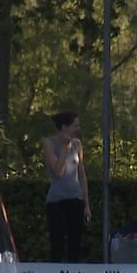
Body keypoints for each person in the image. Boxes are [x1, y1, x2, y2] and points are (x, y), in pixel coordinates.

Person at [42, 110, 92, 262]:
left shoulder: (77, 144)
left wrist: (86, 204)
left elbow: (81, 174)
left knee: (74, 242)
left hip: (75, 198)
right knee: (57, 241)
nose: (77, 129)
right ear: (64, 127)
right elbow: (58, 171)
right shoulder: (49, 143)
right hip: (56, 200)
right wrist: (64, 149)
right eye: (74, 125)